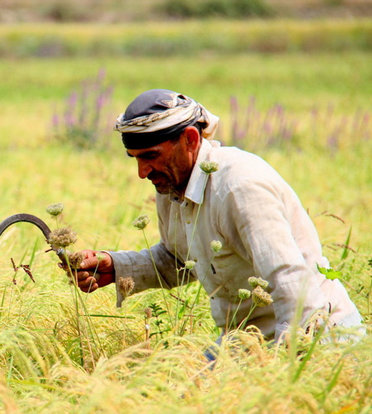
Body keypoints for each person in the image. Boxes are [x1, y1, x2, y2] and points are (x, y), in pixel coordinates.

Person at [71, 89, 364, 343]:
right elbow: (178, 260)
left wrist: (282, 374)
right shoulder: (172, 186)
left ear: (189, 139)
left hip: (316, 338)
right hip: (244, 343)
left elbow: (291, 281)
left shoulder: (239, 187)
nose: (141, 172)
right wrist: (116, 267)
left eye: (150, 155)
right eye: (135, 159)